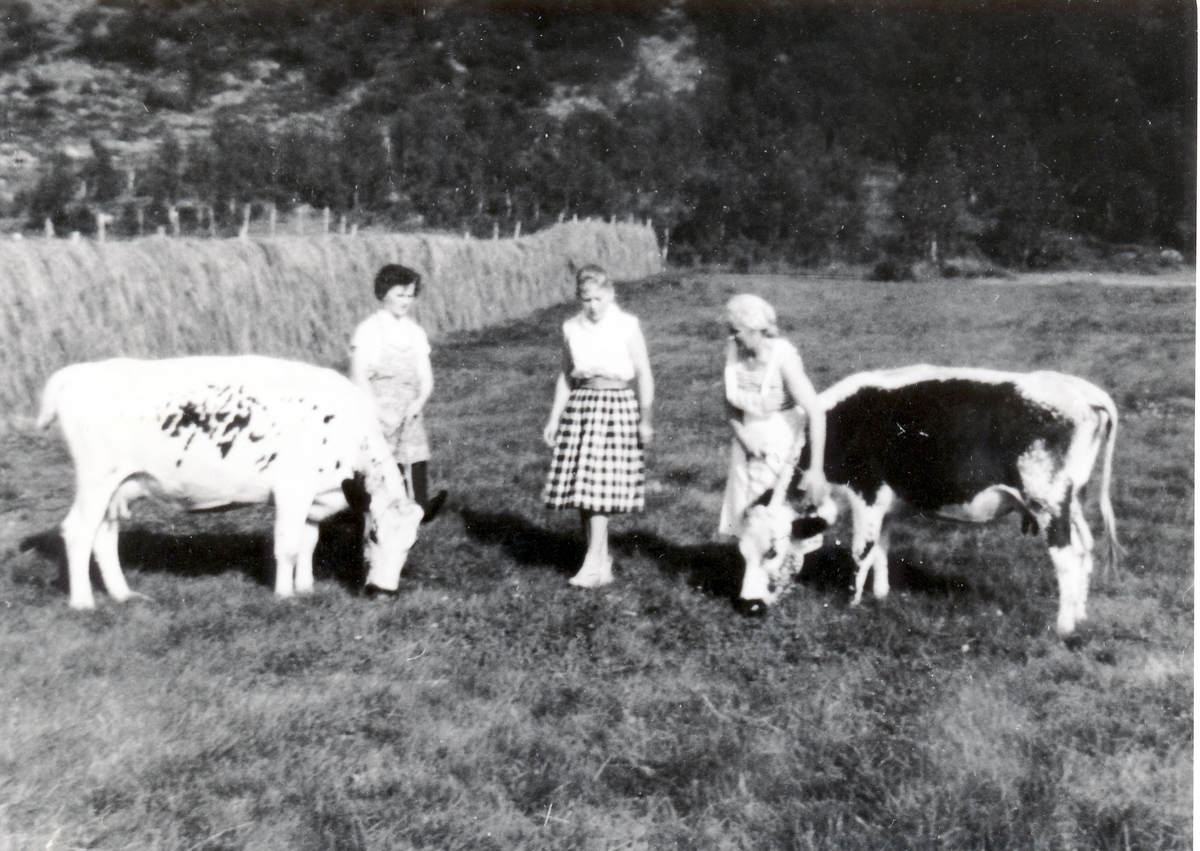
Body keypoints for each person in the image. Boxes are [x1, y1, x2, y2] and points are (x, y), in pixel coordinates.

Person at [543, 265, 654, 588]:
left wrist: (646, 418)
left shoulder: (626, 325)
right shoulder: (572, 328)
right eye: (586, 299)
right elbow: (566, 375)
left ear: (611, 294)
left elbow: (645, 373)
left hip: (617, 406)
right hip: (582, 405)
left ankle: (592, 563)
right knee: (583, 487)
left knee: (599, 488)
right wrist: (554, 417)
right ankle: (600, 560)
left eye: (599, 299)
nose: (593, 305)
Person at [718, 293, 828, 545]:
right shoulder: (735, 352)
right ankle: (752, 567)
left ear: (755, 329)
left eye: (735, 331)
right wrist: (742, 435)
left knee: (776, 512)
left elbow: (816, 412)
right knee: (746, 511)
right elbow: (728, 400)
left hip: (781, 443)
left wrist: (815, 469)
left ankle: (784, 571)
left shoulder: (783, 358)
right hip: (746, 442)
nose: (731, 337)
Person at [350, 263, 447, 524]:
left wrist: (418, 402)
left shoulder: (415, 333)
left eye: (410, 295)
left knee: (414, 463)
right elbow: (359, 376)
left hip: (409, 412)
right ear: (383, 293)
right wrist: (376, 411)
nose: (406, 301)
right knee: (375, 474)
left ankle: (417, 512)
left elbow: (426, 378)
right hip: (376, 413)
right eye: (399, 295)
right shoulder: (369, 330)